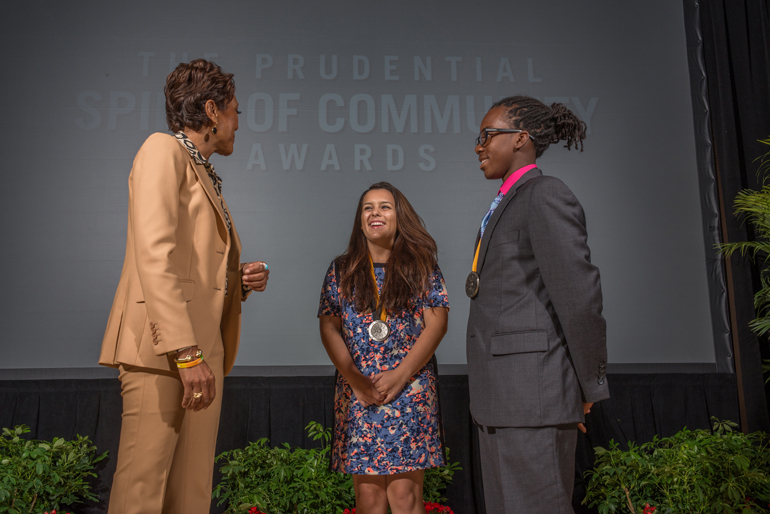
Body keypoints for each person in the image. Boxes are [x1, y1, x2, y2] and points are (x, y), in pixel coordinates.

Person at [98, 59, 269, 514]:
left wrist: (238, 280)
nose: (238, 124)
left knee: (189, 498)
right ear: (212, 111)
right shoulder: (162, 150)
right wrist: (185, 353)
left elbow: (190, 267)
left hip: (199, 355)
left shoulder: (200, 169)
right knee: (142, 495)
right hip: (165, 354)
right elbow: (154, 256)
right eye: (235, 111)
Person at [465, 96, 609, 513]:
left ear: (521, 139)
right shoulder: (506, 201)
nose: (479, 145)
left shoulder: (545, 194)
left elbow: (579, 297)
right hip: (502, 401)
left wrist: (586, 386)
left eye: (488, 135)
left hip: (534, 399)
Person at [318, 182, 450, 514]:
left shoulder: (421, 266)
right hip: (359, 390)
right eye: (368, 207)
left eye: (385, 206)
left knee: (405, 497)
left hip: (409, 388)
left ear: (399, 216)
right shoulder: (341, 270)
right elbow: (329, 326)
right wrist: (355, 379)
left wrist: (401, 374)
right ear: (360, 220)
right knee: (369, 499)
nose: (376, 212)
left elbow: (437, 324)